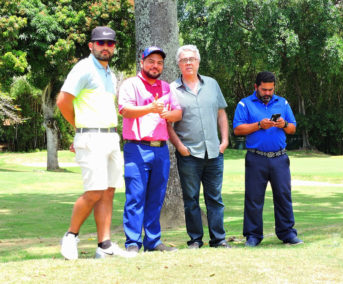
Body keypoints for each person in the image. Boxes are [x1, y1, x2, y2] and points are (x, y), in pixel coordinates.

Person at [57, 26, 131, 259]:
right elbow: (63, 101)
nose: (105, 47)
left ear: (114, 47)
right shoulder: (84, 68)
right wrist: (79, 127)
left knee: (108, 191)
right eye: (100, 43)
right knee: (94, 191)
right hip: (91, 137)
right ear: (91, 46)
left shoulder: (109, 72)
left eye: (110, 44)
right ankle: (70, 236)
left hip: (110, 136)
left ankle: (105, 246)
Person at [118, 46, 182, 253]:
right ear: (142, 62)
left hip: (160, 149)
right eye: (151, 61)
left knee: (156, 197)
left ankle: (153, 242)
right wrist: (151, 108)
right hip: (136, 148)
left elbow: (178, 113)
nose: (155, 66)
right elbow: (125, 110)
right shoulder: (131, 84)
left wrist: (167, 114)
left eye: (160, 62)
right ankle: (133, 243)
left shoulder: (166, 87)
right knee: (135, 197)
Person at [168, 45, 230, 249]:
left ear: (198, 62)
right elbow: (168, 124)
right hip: (188, 154)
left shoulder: (212, 84)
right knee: (191, 199)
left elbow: (221, 113)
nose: (188, 63)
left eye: (191, 59)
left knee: (215, 199)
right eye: (184, 60)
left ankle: (218, 239)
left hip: (214, 152)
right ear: (178, 63)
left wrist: (225, 141)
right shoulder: (171, 89)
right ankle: (195, 239)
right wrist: (179, 147)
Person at [233, 71, 303, 246]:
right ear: (256, 87)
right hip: (256, 158)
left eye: (271, 90)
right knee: (254, 198)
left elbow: (293, 128)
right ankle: (253, 236)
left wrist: (284, 124)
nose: (267, 93)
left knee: (283, 196)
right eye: (264, 90)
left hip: (279, 158)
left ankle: (287, 233)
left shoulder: (283, 102)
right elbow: (238, 129)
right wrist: (258, 125)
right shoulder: (245, 104)